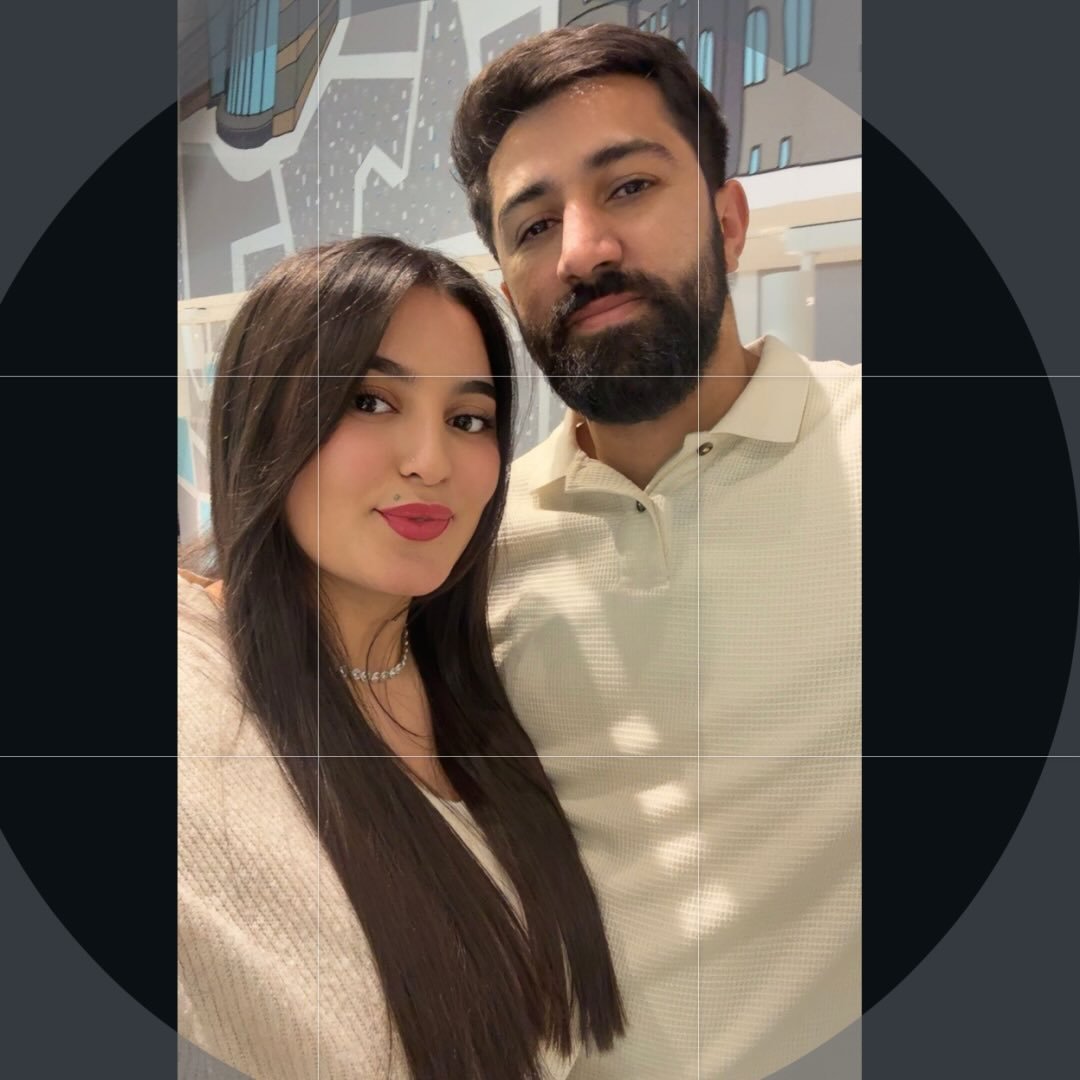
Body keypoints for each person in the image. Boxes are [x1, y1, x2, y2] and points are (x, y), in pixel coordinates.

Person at [451, 25, 861, 1080]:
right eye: (535, 224)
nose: (582, 250)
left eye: (628, 186)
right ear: (507, 284)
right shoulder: (471, 552)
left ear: (729, 221)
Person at [177, 236, 625, 1080]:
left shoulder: (481, 670)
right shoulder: (194, 705)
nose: (430, 462)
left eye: (468, 419)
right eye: (371, 401)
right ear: (262, 413)